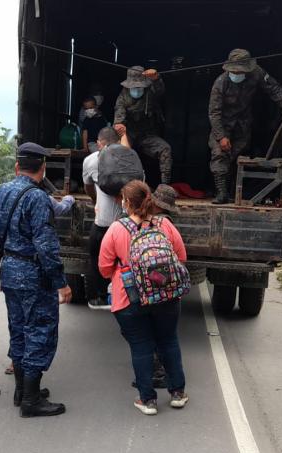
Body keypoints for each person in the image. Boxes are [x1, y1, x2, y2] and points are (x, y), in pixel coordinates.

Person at [0, 142, 72, 418]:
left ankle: (21, 391)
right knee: (39, 331)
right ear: (43, 168)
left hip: (9, 272)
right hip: (33, 275)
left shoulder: (1, 191)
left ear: (17, 167)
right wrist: (61, 281)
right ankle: (31, 400)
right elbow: (46, 245)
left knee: (18, 328)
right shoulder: (37, 197)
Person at [99, 180, 189, 415]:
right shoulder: (165, 225)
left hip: (129, 298)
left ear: (126, 202)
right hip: (166, 295)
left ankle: (147, 399)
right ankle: (177, 393)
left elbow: (104, 268)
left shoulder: (117, 229)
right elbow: (181, 257)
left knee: (141, 347)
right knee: (168, 341)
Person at [208, 48, 282, 204]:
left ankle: (234, 191)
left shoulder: (257, 73)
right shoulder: (220, 83)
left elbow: (273, 88)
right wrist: (221, 137)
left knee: (236, 158)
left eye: (241, 71)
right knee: (219, 155)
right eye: (235, 71)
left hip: (243, 124)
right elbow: (214, 113)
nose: (238, 74)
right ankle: (221, 193)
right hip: (222, 125)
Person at [83, 127, 126, 310]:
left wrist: (95, 201)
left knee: (96, 258)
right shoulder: (131, 158)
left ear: (99, 143)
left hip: (103, 223)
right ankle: (126, 295)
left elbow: (88, 187)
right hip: (127, 224)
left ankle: (98, 297)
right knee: (126, 261)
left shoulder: (91, 160)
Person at [114, 66, 173, 184]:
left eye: (139, 87)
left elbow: (160, 90)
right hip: (128, 134)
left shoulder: (151, 91)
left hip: (147, 135)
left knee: (165, 149)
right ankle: (120, 185)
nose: (136, 89)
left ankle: (165, 185)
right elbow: (119, 115)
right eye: (134, 87)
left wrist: (156, 78)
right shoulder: (123, 96)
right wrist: (119, 125)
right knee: (116, 151)